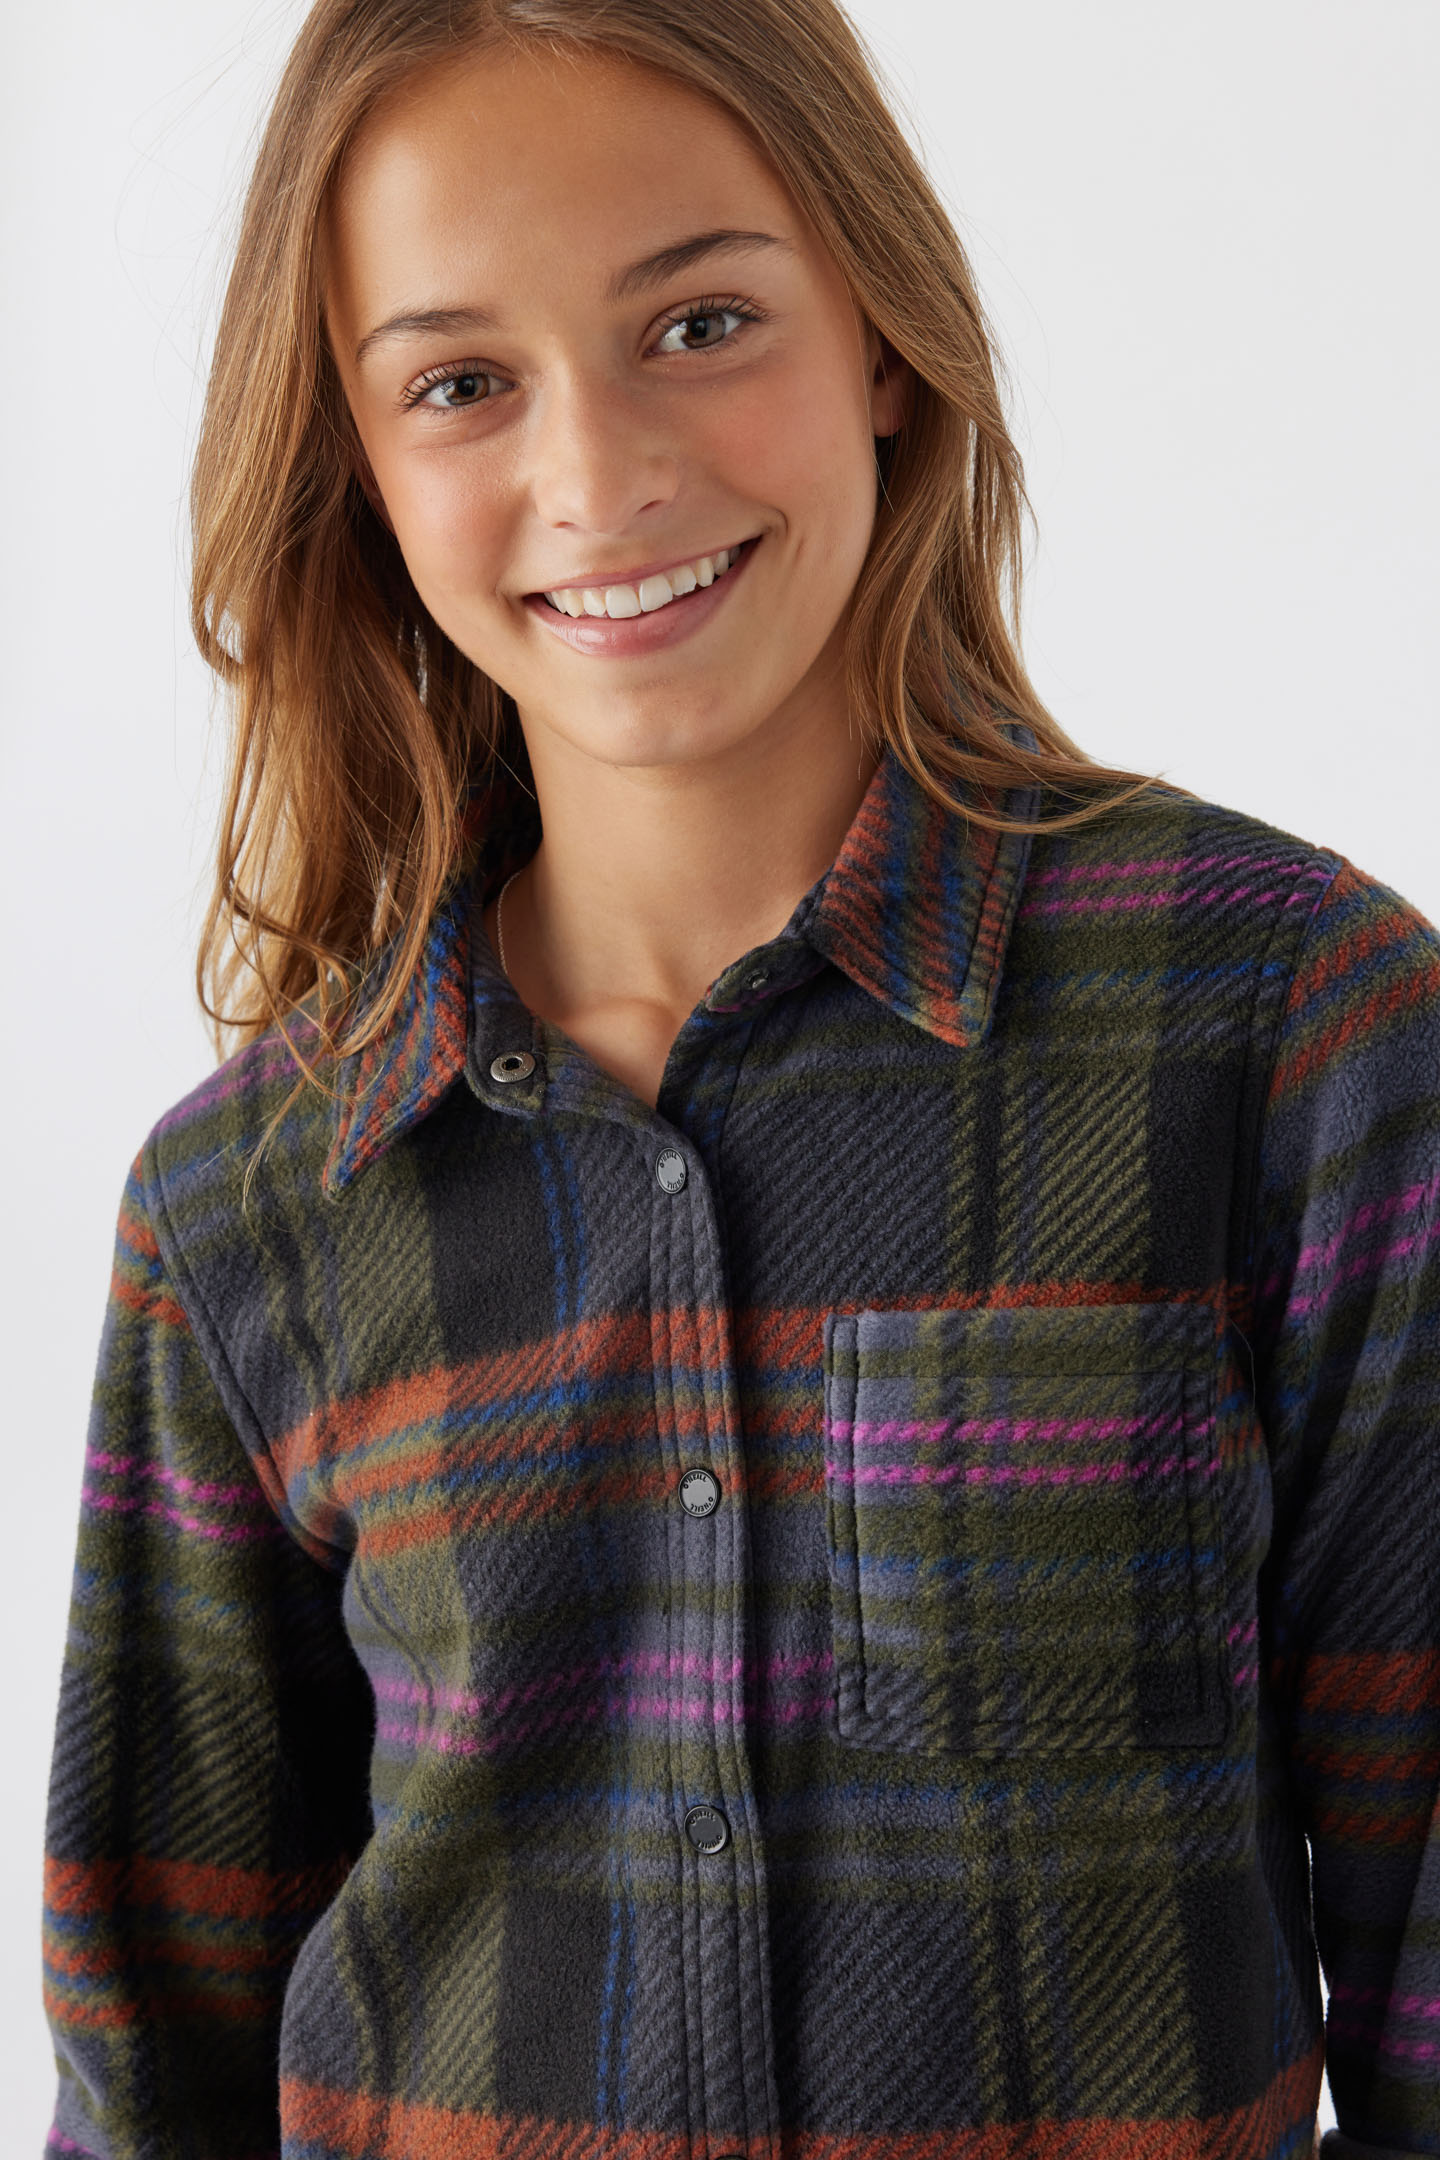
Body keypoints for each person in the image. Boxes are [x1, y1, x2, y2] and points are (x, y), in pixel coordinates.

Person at [40, 0, 1440, 2154]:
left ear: (881, 333)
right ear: (357, 466)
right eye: (460, 382)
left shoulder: (1292, 1034)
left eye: (699, 324)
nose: (599, 478)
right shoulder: (248, 1207)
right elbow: (156, 2062)